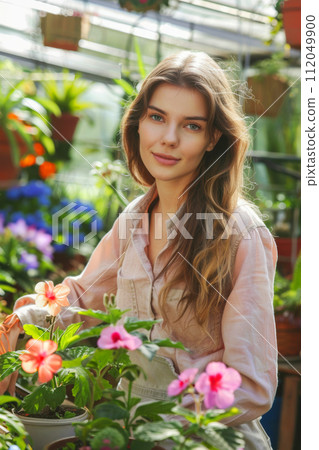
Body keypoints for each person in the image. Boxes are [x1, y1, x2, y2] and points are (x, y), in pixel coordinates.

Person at [0, 51, 277, 449]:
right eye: (157, 117)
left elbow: (252, 385)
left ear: (214, 137)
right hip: (130, 429)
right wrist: (20, 322)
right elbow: (81, 298)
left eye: (192, 125)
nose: (168, 138)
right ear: (139, 123)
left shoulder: (239, 232)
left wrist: (158, 433)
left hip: (205, 439)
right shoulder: (134, 218)